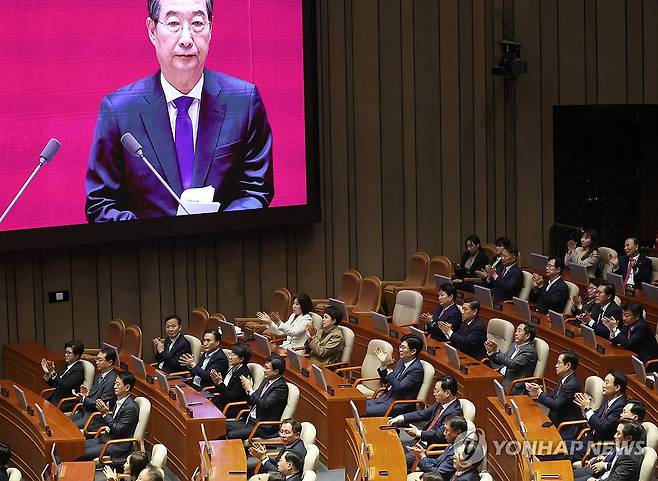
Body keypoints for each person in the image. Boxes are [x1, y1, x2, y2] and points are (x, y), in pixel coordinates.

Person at [85, 0, 274, 222]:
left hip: (225, 250)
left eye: (197, 23)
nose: (186, 39)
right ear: (152, 30)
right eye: (174, 23)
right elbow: (100, 204)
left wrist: (216, 232)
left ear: (211, 28)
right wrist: (154, 237)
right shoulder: (119, 110)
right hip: (150, 253)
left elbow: (255, 191)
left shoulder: (243, 102)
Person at [387, 375, 463, 469]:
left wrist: (418, 433)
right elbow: (423, 414)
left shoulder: (455, 412)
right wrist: (400, 418)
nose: (434, 393)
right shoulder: (441, 403)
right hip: (421, 442)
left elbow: (439, 434)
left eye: (437, 391)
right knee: (392, 447)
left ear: (447, 393)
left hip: (431, 449)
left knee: (397, 460)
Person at [78, 371, 140, 462]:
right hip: (106, 438)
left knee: (79, 453)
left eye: (118, 384)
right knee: (75, 447)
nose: (114, 386)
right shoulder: (119, 400)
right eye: (115, 383)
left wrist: (105, 414)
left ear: (127, 387)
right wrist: (105, 414)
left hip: (115, 445)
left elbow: (118, 430)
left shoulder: (131, 408)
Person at [568, 370, 628, 461]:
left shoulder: (620, 406)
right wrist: (586, 407)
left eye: (606, 382)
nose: (603, 385)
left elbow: (602, 426)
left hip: (598, 447)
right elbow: (596, 416)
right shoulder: (609, 399)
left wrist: (588, 409)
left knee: (561, 450)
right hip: (590, 440)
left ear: (617, 387)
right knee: (562, 445)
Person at [226, 354, 289, 440]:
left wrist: (250, 389)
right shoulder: (266, 380)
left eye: (267, 368)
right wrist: (247, 390)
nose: (264, 370)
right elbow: (253, 401)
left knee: (232, 435)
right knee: (222, 426)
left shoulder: (281, 387)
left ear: (276, 371)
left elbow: (264, 404)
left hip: (261, 426)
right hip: (250, 421)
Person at [526, 351, 582, 440]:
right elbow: (552, 397)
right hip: (555, 419)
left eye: (559, 363)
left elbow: (555, 405)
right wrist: (538, 393)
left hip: (565, 426)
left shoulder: (572, 385)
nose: (556, 365)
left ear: (568, 366)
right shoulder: (564, 379)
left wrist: (540, 393)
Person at [365, 334, 424, 417]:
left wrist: (389, 370)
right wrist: (383, 364)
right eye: (400, 347)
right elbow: (386, 381)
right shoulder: (402, 361)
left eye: (403, 348)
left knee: (362, 411)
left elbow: (398, 388)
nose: (400, 350)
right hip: (385, 398)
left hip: (398, 405)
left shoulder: (416, 370)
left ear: (413, 351)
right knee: (354, 406)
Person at [573, 420, 644, 481]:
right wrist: (603, 460)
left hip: (602, 478)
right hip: (601, 472)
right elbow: (614, 460)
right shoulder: (624, 445)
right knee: (569, 474)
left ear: (629, 438)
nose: (615, 436)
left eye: (618, 433)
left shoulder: (629, 458)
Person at [72, 346, 118, 430]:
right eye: (96, 359)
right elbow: (95, 394)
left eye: (100, 360)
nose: (97, 362)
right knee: (64, 422)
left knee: (69, 427)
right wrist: (88, 393)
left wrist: (84, 399)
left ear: (110, 362)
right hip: (86, 412)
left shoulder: (112, 381)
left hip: (96, 418)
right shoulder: (100, 374)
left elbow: (101, 404)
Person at [485, 323, 538, 395]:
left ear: (527, 336)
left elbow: (512, 364)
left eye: (519, 331)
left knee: (484, 391)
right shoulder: (514, 345)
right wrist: (491, 352)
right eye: (516, 331)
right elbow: (502, 361)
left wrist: (497, 351)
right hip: (500, 377)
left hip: (512, 384)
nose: (515, 333)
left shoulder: (530, 352)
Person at [41, 339, 86, 411]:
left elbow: (66, 386)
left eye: (69, 353)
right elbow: (55, 384)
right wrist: (48, 373)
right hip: (57, 398)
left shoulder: (79, 369)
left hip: (66, 402)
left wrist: (53, 372)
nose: (65, 355)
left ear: (77, 355)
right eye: (65, 352)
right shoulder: (66, 365)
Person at [209, 342, 252, 416]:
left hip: (232, 407)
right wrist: (216, 381)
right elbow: (223, 390)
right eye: (230, 354)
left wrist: (220, 383)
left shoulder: (243, 375)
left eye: (233, 355)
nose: (229, 357)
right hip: (223, 402)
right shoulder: (233, 369)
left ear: (241, 359)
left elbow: (231, 397)